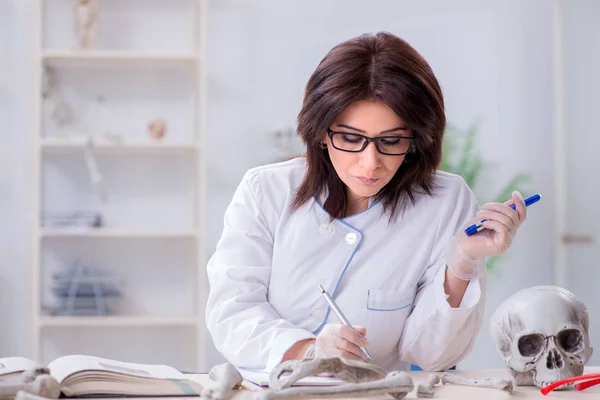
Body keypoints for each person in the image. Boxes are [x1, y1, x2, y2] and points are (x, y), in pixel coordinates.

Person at [205, 31, 528, 373]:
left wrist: (462, 262)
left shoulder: (445, 201)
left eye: (391, 140)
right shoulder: (266, 191)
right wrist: (309, 350)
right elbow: (232, 313)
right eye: (350, 137)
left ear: (417, 139)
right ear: (321, 132)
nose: (370, 162)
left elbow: (433, 356)